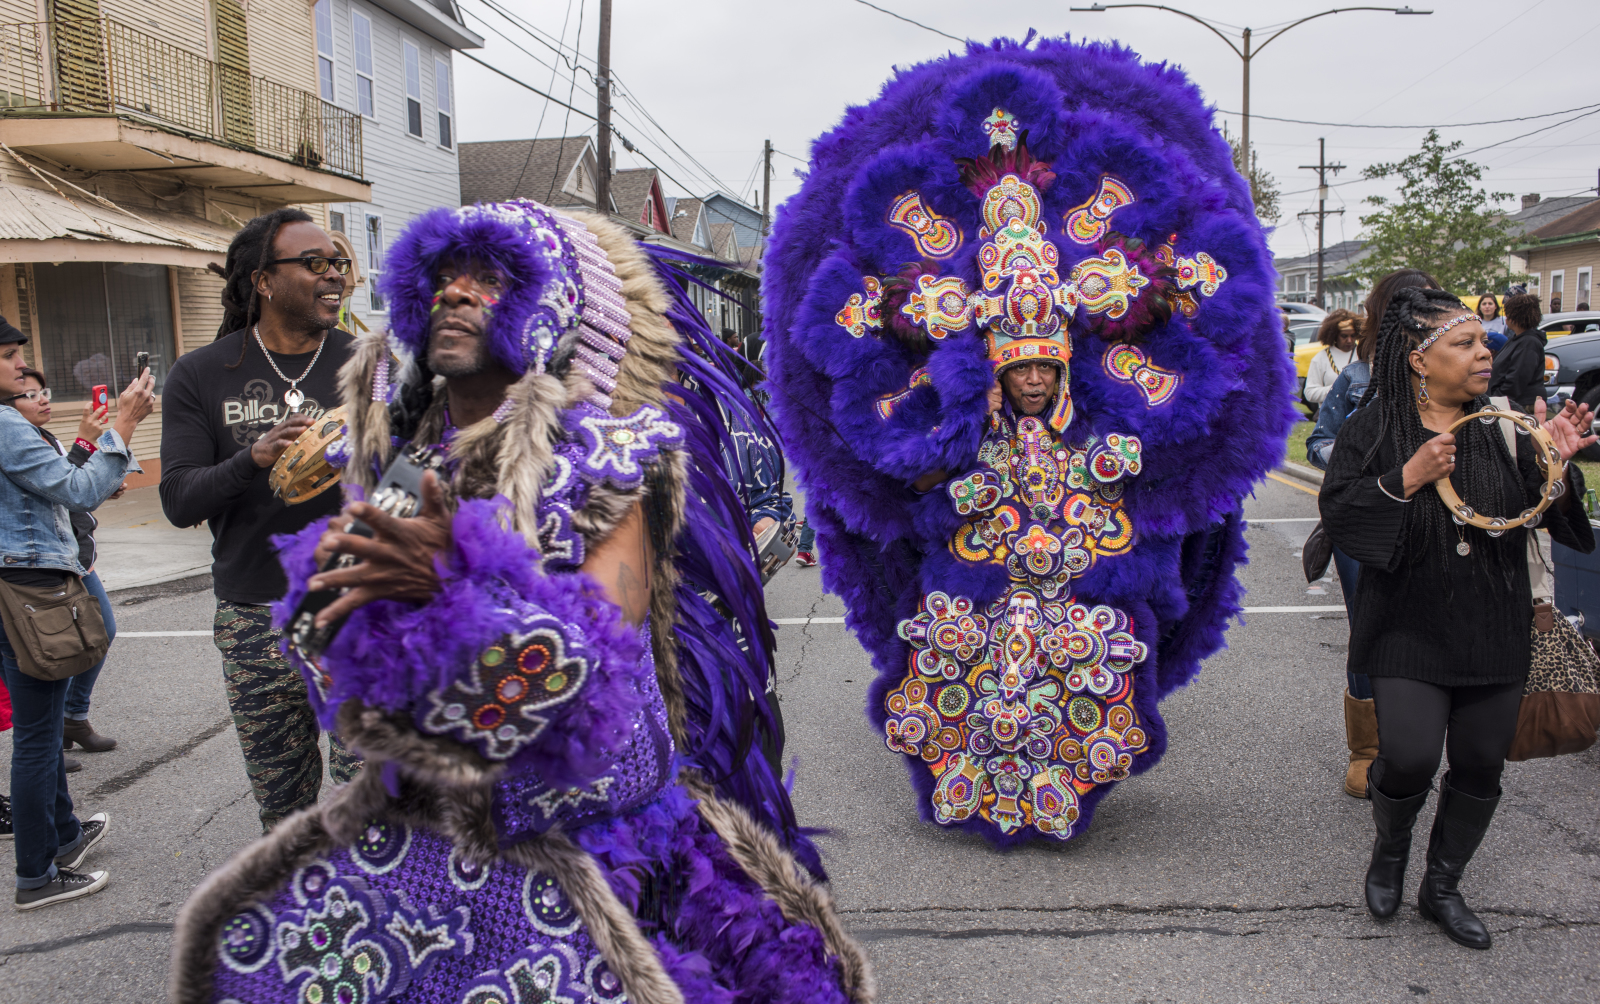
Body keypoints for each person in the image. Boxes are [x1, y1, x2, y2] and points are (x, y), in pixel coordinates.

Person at [168, 201, 869, 1003]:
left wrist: (448, 591)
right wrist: (342, 626)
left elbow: (593, 659)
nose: (455, 295)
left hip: (594, 838)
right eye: (440, 280)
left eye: (488, 279)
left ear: (546, 311)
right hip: (439, 840)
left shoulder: (610, 460)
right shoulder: (409, 474)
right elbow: (326, 644)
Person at [762, 38, 1294, 846]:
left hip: (1081, 577)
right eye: (1021, 372)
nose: (1036, 380)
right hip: (979, 579)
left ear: (1065, 364)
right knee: (958, 651)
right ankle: (976, 768)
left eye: (1047, 367)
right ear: (995, 373)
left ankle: (1072, 768)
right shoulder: (961, 427)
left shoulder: (1102, 430)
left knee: (1099, 655)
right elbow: (905, 467)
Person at [1319, 287, 1596, 950]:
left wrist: (1555, 470)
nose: (1484, 352)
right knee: (1409, 758)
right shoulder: (1377, 426)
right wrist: (1405, 476)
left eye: (1482, 341)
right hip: (1408, 626)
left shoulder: (1502, 424)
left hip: (1492, 625)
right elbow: (1343, 513)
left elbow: (1545, 513)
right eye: (1465, 343)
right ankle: (1391, 850)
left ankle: (1441, 886)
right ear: (1419, 360)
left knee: (1479, 763)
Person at [159, 209, 360, 832]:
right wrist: (255, 457)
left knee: (377, 801)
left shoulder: (372, 365)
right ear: (263, 281)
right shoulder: (200, 374)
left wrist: (376, 479)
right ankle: (299, 920)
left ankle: (378, 919)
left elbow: (419, 476)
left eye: (339, 264)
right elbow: (179, 499)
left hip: (360, 608)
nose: (334, 276)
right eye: (315, 263)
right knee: (284, 811)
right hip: (256, 618)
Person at [0, 315, 154, 910]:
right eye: (11, 356)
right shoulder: (7, 425)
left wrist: (98, 444)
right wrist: (122, 425)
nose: (22, 366)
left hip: (16, 585)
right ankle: (36, 874)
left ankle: (64, 836)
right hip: (30, 589)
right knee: (39, 736)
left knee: (45, 719)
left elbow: (65, 481)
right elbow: (78, 489)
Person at [1307, 267, 1441, 798]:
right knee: (1370, 627)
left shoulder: (1455, 370)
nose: (1427, 313)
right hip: (1365, 517)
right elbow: (1320, 439)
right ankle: (1367, 750)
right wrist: (1359, 462)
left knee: (1431, 628)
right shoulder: (1358, 375)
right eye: (1416, 304)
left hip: (1437, 522)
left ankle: (1417, 740)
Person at [10, 367, 124, 757]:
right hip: (36, 570)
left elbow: (71, 488)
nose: (42, 399)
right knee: (47, 657)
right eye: (29, 394)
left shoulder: (43, 439)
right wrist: (91, 441)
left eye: (44, 391)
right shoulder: (14, 439)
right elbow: (71, 488)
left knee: (98, 634)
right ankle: (53, 733)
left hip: (74, 557)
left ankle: (70, 719)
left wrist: (102, 482)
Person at [1487, 293, 1545, 413]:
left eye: (1508, 314)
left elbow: (1517, 379)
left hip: (1521, 406)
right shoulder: (1517, 339)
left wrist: (1498, 399)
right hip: (1510, 403)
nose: (1506, 318)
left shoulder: (1528, 343)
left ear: (1515, 317)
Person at [1305, 309, 1359, 407]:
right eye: (1344, 336)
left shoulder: (1363, 355)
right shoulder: (1321, 358)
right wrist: (1335, 389)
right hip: (1331, 417)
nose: (1349, 340)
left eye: (1353, 336)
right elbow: (1309, 393)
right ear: (1334, 336)